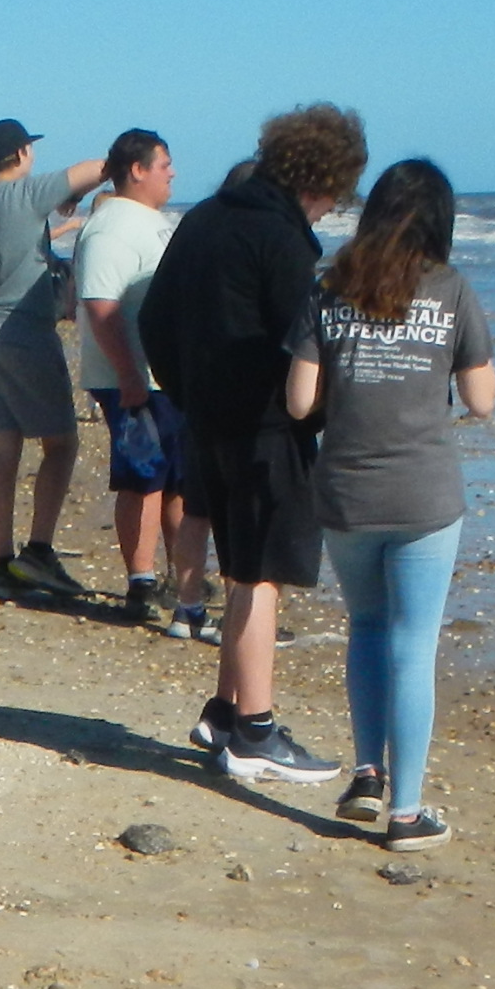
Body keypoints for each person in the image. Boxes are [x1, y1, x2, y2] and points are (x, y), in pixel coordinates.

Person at [138, 101, 369, 784]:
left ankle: (227, 710)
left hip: (206, 420)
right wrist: (318, 414)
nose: (333, 209)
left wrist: (186, 392)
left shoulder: (204, 218)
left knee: (242, 571)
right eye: (337, 193)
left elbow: (155, 316)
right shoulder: (282, 239)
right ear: (322, 178)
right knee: (262, 573)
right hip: (265, 428)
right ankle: (258, 732)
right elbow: (307, 344)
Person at [288, 157, 495, 849]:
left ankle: (368, 773)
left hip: (345, 490)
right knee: (413, 644)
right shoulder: (452, 290)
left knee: (368, 627)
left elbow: (298, 401)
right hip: (424, 494)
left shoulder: (330, 288)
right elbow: (482, 399)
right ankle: (406, 813)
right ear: (441, 221)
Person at [0, 118, 104, 601]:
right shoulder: (29, 193)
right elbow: (102, 166)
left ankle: (2, 562)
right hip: (22, 331)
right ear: (20, 155)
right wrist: (71, 197)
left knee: (3, 447)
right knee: (61, 443)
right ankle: (39, 550)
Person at [66, 127, 213, 636]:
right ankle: (140, 582)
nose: (172, 173)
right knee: (143, 477)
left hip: (164, 375)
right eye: (164, 164)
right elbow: (99, 305)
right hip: (134, 378)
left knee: (176, 481)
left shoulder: (149, 221)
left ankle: (181, 578)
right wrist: (129, 374)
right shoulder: (110, 228)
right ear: (138, 170)